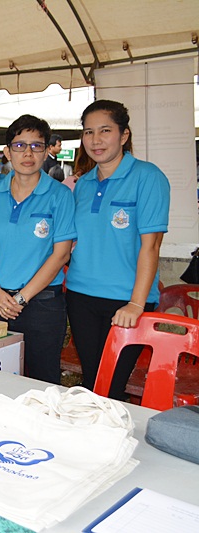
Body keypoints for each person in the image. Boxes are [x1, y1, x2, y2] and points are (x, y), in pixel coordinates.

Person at [66, 100, 170, 398]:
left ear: (124, 135)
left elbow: (151, 246)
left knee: (111, 386)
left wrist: (136, 304)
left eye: (105, 131)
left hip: (127, 300)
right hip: (81, 295)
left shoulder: (148, 177)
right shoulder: (83, 184)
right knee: (92, 381)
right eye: (88, 132)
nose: (95, 140)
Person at [0, 115, 76, 384]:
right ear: (7, 152)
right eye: (19, 146)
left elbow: (61, 254)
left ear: (46, 150)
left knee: (42, 382)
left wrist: (21, 298)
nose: (28, 153)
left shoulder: (60, 195)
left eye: (36, 146)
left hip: (42, 305)